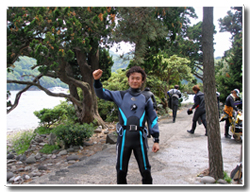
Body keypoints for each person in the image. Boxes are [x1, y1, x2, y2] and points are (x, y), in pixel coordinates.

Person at [92, 66, 160, 184]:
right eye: (132, 78)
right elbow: (102, 93)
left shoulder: (147, 97)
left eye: (138, 78)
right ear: (128, 79)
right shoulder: (120, 95)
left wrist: (156, 139)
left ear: (142, 80)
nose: (135, 81)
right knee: (121, 170)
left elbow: (153, 119)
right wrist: (97, 81)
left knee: (146, 170)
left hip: (140, 138)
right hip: (124, 138)